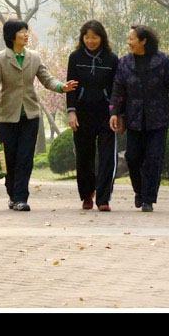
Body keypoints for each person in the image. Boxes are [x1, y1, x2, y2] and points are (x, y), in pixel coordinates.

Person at [0, 19, 77, 211]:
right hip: (7, 117)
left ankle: (21, 198)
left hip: (31, 116)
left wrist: (62, 87)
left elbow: (46, 79)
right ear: (11, 36)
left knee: (25, 157)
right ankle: (12, 194)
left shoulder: (34, 57)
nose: (26, 35)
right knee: (9, 158)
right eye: (22, 32)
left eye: (27, 31)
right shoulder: (0, 59)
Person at [108, 25, 169, 212]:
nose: (129, 42)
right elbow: (118, 89)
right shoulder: (125, 62)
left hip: (158, 117)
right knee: (132, 157)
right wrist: (114, 113)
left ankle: (149, 199)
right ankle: (139, 191)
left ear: (143, 41)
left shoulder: (162, 60)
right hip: (134, 118)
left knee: (153, 158)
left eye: (132, 38)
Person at [66, 20, 120, 211]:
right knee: (84, 156)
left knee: (107, 157)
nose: (90, 41)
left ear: (102, 38)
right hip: (82, 113)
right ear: (82, 38)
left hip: (106, 114)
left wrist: (116, 113)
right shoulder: (75, 57)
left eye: (94, 37)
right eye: (87, 37)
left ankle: (103, 198)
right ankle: (87, 194)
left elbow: (117, 88)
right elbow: (70, 87)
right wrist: (71, 111)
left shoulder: (113, 59)